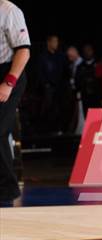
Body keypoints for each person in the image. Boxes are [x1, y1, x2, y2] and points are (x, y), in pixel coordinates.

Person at [0, 0, 30, 203]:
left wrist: (8, 83)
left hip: (9, 73)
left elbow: (23, 51)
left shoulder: (8, 10)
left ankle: (7, 190)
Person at [38, 34, 67, 133]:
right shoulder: (43, 57)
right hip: (48, 88)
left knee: (60, 108)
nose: (56, 44)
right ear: (48, 42)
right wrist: (45, 84)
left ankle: (59, 129)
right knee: (48, 109)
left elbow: (64, 72)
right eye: (54, 41)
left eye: (57, 41)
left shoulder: (61, 56)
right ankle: (47, 130)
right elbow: (40, 73)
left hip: (59, 88)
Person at [75, 44, 100, 117]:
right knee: (87, 118)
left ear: (92, 51)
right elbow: (77, 82)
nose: (87, 52)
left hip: (96, 97)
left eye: (89, 50)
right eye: (85, 51)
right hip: (85, 98)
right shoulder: (79, 67)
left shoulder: (98, 65)